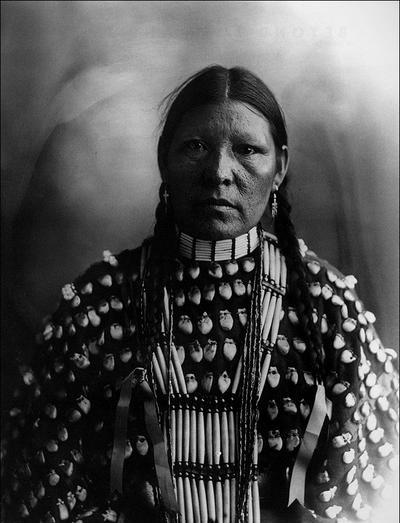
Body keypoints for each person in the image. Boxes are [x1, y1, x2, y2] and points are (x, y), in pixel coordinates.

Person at [1, 65, 398, 523]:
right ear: (164, 162)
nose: (219, 173)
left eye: (247, 149)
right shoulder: (99, 308)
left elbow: (372, 497)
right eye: (195, 147)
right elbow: (38, 497)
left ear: (280, 167)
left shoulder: (326, 308)